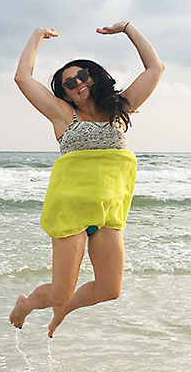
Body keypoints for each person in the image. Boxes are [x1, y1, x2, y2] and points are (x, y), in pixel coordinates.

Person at [9, 21, 164, 337]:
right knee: (59, 291)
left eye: (82, 75)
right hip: (71, 208)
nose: (77, 83)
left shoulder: (121, 108)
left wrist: (128, 29)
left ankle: (65, 310)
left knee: (110, 289)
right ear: (63, 93)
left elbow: (155, 67)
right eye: (68, 83)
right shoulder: (63, 114)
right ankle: (25, 305)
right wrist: (37, 35)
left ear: (95, 77)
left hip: (109, 210)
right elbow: (22, 77)